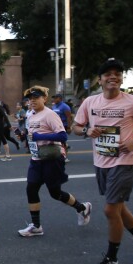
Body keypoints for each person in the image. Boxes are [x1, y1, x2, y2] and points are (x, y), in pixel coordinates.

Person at [72, 58, 133, 264]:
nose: (113, 76)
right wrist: (86, 132)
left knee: (110, 209)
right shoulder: (90, 102)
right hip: (101, 161)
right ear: (100, 79)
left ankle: (111, 259)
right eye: (108, 74)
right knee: (119, 208)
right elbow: (75, 127)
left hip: (124, 162)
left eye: (118, 73)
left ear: (122, 78)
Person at [17, 86, 92, 237]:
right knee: (31, 188)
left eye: (36, 98)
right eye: (30, 98)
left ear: (44, 99)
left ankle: (81, 207)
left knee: (55, 193)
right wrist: (23, 134)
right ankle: (36, 226)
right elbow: (33, 132)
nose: (32, 101)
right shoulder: (30, 114)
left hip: (52, 159)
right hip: (37, 158)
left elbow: (63, 136)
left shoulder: (50, 115)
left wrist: (39, 137)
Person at [51, 94, 73, 160]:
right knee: (57, 141)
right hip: (55, 126)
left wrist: (69, 127)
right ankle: (65, 148)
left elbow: (69, 117)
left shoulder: (65, 107)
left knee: (62, 142)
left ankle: (65, 156)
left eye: (55, 98)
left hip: (63, 126)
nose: (53, 99)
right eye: (53, 98)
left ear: (60, 98)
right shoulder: (54, 106)